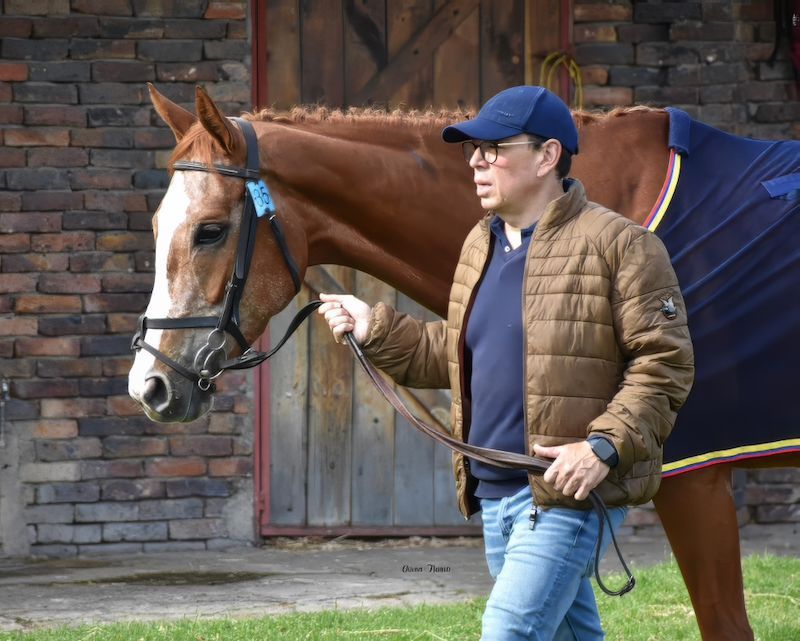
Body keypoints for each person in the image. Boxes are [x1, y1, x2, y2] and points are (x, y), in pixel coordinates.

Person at [318, 86, 694, 640]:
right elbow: (458, 354)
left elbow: (664, 364)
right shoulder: (481, 244)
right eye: (474, 149)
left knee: (508, 630)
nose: (476, 160)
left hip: (564, 490)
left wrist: (602, 447)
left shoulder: (620, 245)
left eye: (494, 147)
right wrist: (377, 328)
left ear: (547, 156)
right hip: (494, 494)